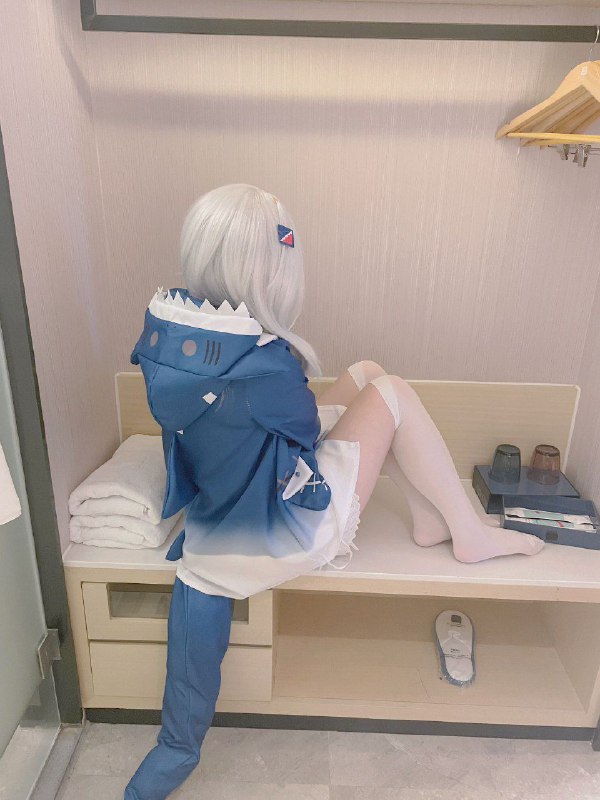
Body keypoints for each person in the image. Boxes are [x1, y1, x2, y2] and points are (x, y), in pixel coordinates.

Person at [124, 184, 544, 799]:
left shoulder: (171, 339)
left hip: (229, 491)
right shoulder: (263, 360)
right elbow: (299, 429)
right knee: (392, 392)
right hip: (284, 524)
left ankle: (431, 519)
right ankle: (469, 533)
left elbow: (266, 423)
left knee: (367, 372)